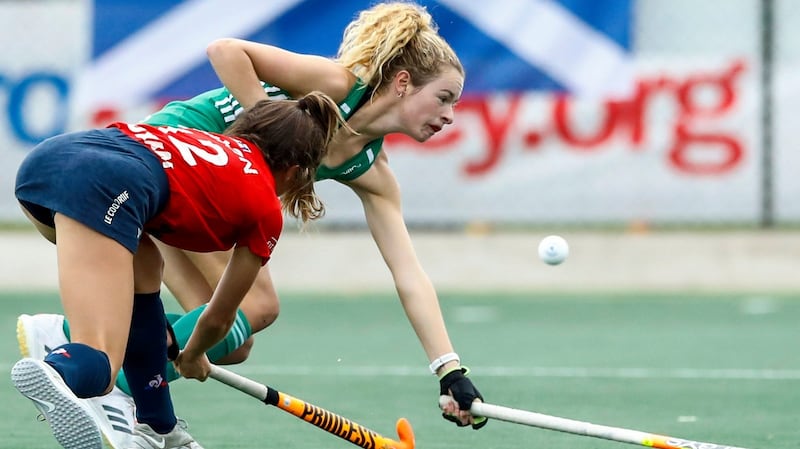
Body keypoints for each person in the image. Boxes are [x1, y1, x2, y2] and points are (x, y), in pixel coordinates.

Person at [18, 2, 487, 446]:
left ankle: (104, 368)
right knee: (256, 305)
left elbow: (409, 274)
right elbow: (226, 51)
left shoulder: (374, 172)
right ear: (403, 82)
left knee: (230, 338)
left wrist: (449, 369)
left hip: (181, 196)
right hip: (170, 163)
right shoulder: (337, 84)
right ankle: (113, 383)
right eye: (444, 98)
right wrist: (272, 131)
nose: (449, 116)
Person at [11, 92, 347, 449]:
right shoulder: (264, 205)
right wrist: (191, 355)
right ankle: (58, 366)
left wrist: (168, 345)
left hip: (48, 163)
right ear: (295, 171)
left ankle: (159, 427)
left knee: (146, 266)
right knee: (103, 367)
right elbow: (220, 318)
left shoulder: (206, 141)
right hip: (105, 188)